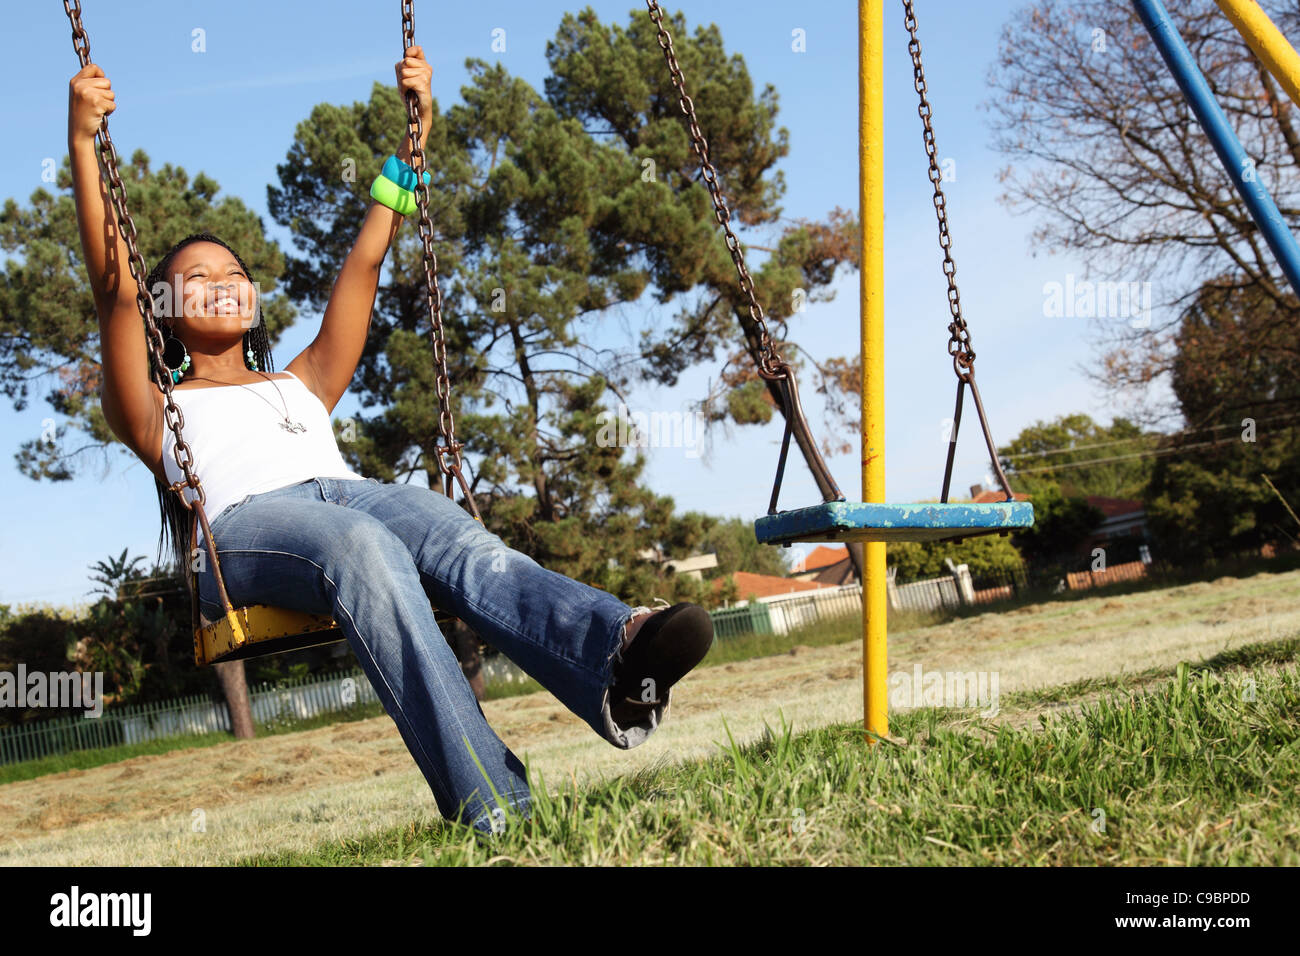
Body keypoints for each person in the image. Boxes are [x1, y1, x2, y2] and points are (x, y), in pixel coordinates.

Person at [67, 46, 714, 838]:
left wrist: (412, 145)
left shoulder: (303, 380)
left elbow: (365, 261)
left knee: (453, 536)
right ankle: (495, 806)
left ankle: (617, 655)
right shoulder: (153, 403)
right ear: (164, 312)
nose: (224, 281)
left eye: (235, 271)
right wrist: (81, 141)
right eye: (197, 278)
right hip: (240, 532)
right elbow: (112, 289)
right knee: (360, 543)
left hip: (350, 498)